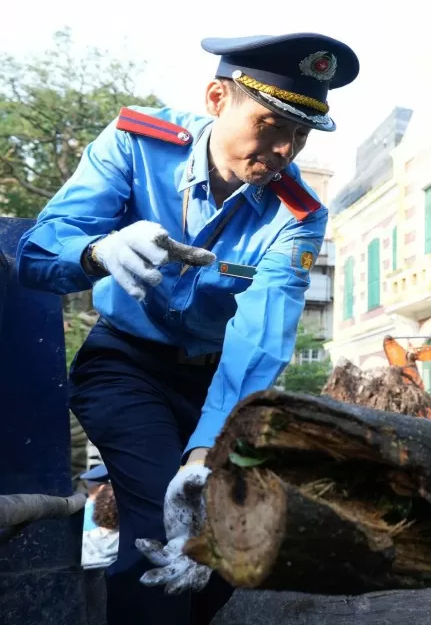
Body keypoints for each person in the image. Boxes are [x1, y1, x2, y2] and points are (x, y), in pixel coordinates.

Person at [16, 33, 358, 625]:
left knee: (229, 539)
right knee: (158, 526)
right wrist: (97, 251)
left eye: (300, 135)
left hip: (220, 382)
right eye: (271, 124)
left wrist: (205, 453)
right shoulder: (135, 143)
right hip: (126, 364)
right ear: (216, 97)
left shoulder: (298, 212)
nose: (284, 149)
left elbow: (262, 333)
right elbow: (35, 255)